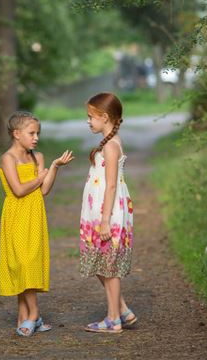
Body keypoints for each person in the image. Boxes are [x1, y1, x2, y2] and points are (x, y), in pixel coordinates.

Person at [0, 110, 74, 337]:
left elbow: (44, 190)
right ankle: (34, 314)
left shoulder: (37, 158)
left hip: (34, 214)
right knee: (21, 263)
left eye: (38, 133)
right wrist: (39, 177)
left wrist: (55, 167)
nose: (36, 137)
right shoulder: (7, 159)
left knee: (30, 261)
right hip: (16, 215)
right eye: (31, 133)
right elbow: (19, 190)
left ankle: (26, 315)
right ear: (16, 133)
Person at [79, 92, 137, 334]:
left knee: (108, 266)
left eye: (91, 117)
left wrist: (105, 220)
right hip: (98, 211)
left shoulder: (112, 146)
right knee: (99, 262)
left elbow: (111, 184)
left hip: (108, 213)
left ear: (104, 117)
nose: (88, 121)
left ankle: (113, 319)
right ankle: (122, 310)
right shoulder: (108, 142)